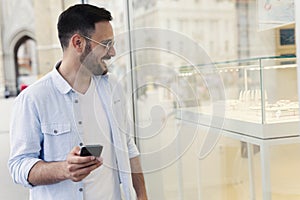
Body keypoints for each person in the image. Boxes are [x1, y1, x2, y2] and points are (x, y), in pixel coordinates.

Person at [8, 4, 147, 200]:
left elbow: (128, 147)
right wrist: (64, 170)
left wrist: (142, 195)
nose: (113, 52)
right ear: (78, 43)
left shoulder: (113, 88)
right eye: (106, 44)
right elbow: (18, 166)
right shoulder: (33, 99)